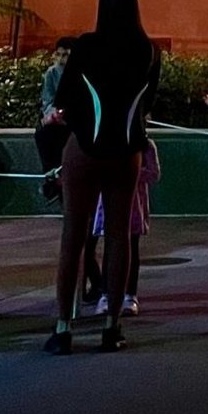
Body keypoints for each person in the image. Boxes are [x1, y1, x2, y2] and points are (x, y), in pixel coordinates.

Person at [44, 0, 159, 355]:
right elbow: (146, 104)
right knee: (119, 236)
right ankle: (112, 326)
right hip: (126, 152)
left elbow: (63, 101)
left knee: (73, 238)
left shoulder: (86, 47)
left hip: (84, 148)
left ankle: (63, 327)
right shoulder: (149, 52)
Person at [89, 135, 160, 318]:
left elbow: (154, 173)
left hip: (134, 204)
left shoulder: (145, 145)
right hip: (109, 202)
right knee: (109, 250)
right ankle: (106, 295)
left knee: (132, 250)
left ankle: (130, 295)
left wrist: (131, 173)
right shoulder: (105, 141)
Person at [35, 38, 80, 201]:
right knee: (42, 134)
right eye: (59, 55)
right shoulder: (51, 73)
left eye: (66, 55)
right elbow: (47, 100)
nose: (61, 59)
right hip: (56, 121)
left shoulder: (82, 74)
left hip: (75, 123)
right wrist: (53, 115)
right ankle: (51, 177)